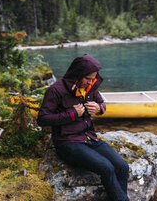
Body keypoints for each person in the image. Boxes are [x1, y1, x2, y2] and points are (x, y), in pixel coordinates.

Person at [37, 54, 130, 201]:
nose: (90, 81)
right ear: (77, 74)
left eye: (93, 78)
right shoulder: (56, 90)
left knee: (122, 167)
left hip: (89, 138)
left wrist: (99, 108)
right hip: (67, 143)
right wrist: (71, 114)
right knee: (106, 168)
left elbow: (102, 104)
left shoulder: (90, 87)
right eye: (87, 78)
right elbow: (42, 119)